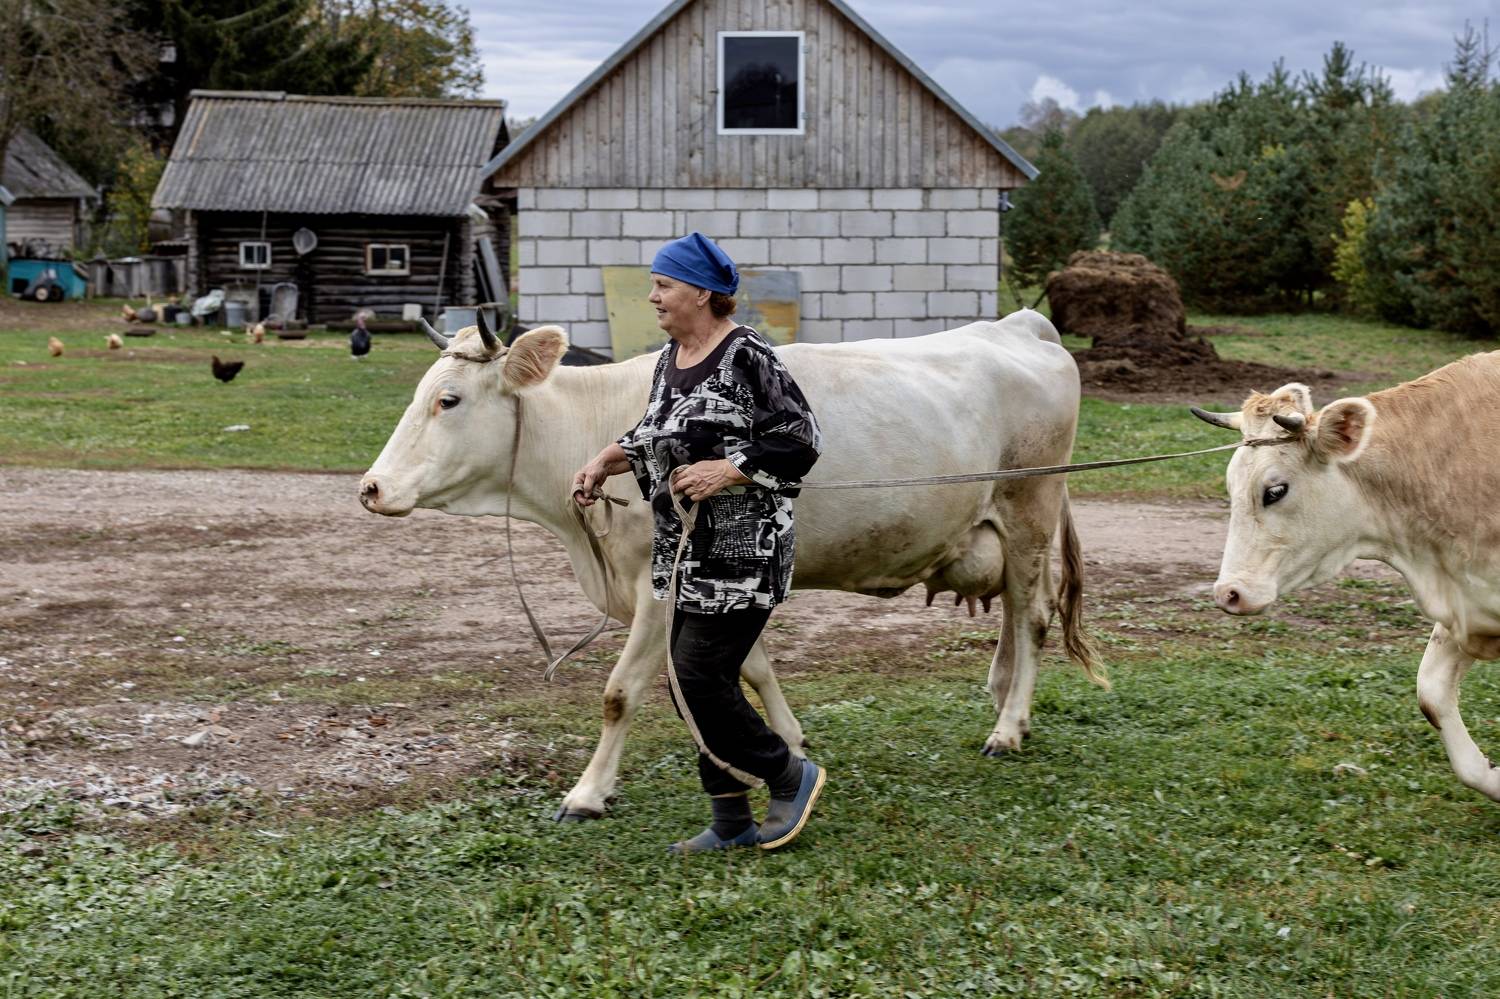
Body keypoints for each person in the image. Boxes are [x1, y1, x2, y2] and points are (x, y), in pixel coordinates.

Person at [572, 232, 825, 853]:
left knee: (699, 676)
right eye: (654, 285)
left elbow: (800, 437)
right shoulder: (671, 358)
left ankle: (788, 774)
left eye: (664, 285)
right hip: (684, 552)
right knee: (691, 684)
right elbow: (658, 433)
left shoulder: (747, 355)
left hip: (744, 552)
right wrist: (608, 458)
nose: (653, 296)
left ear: (703, 293)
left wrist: (730, 469)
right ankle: (731, 819)